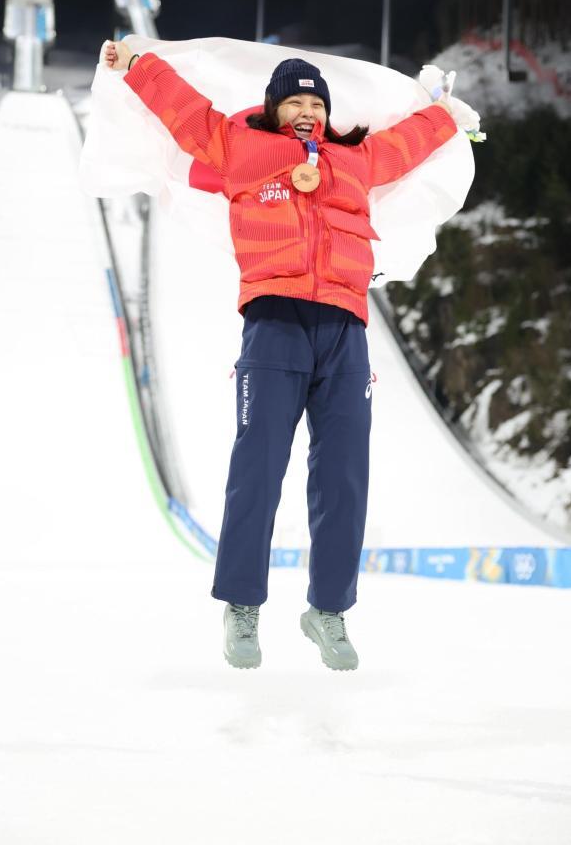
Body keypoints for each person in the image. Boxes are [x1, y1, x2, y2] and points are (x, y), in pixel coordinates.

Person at [103, 39, 457, 671]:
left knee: (344, 477)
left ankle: (328, 611)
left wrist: (446, 114)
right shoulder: (241, 148)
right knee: (258, 469)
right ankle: (242, 606)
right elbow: (185, 112)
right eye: (294, 101)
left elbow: (407, 144)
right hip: (274, 323)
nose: (306, 112)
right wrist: (137, 65)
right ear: (273, 108)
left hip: (345, 329)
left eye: (315, 104)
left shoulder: (355, 160)